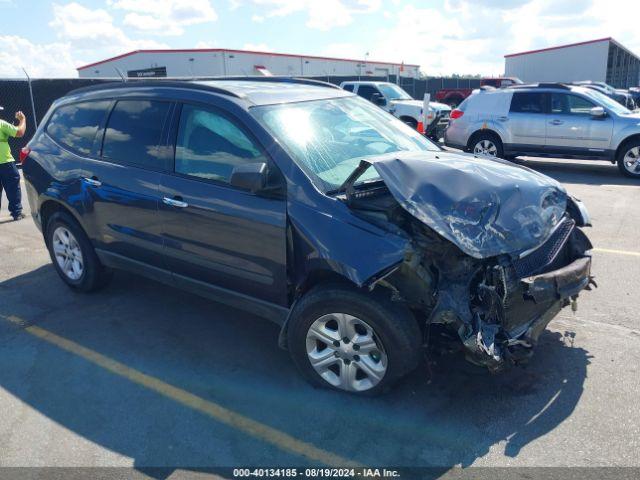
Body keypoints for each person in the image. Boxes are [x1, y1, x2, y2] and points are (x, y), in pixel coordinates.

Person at [0, 107, 27, 221]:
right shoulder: (1, 124)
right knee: (13, 186)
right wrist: (22, 120)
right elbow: (19, 132)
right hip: (5, 162)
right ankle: (16, 212)